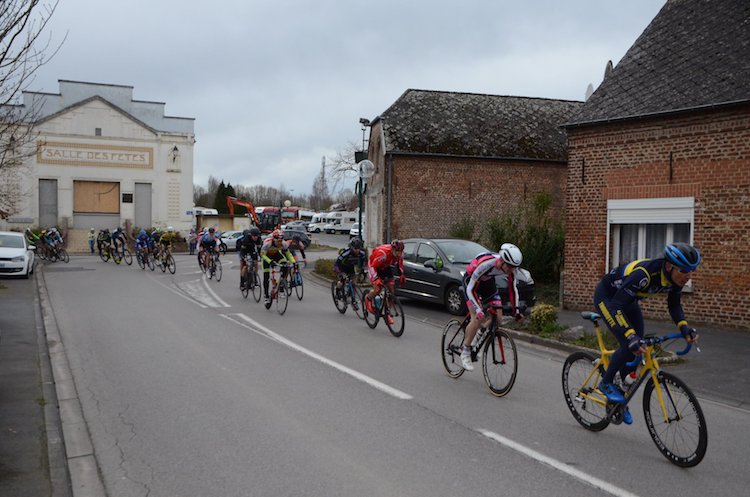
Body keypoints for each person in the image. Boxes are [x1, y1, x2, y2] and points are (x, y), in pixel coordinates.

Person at [594, 242, 701, 425]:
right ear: (669, 266)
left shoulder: (676, 279)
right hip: (608, 299)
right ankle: (606, 382)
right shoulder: (644, 275)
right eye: (684, 271)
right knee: (629, 344)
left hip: (629, 301)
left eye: (692, 270)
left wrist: (684, 328)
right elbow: (616, 306)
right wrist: (630, 336)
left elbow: (674, 306)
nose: (688, 276)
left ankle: (618, 399)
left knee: (638, 347)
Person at [460, 243, 524, 371]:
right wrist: (478, 310)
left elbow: (513, 290)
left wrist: (516, 311)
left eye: (514, 267)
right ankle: (465, 351)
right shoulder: (486, 264)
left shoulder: (511, 269)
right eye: (510, 267)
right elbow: (470, 288)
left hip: (488, 282)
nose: (512, 270)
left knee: (498, 319)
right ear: (503, 261)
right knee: (477, 319)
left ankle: (477, 337)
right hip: (472, 283)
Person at [365, 240, 405, 326]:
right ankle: (368, 298)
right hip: (374, 266)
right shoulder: (383, 253)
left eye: (400, 252)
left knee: (391, 291)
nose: (399, 254)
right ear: (393, 249)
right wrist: (376, 278)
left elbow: (400, 265)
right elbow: (373, 266)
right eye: (397, 251)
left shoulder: (400, 254)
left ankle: (387, 314)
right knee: (378, 289)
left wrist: (401, 275)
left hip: (385, 266)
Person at [260, 229, 296, 308]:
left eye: (281, 240)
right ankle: (266, 296)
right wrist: (270, 261)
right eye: (278, 241)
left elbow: (288, 254)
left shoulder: (284, 244)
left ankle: (281, 285)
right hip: (267, 257)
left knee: (285, 266)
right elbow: (262, 255)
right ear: (274, 239)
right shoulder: (267, 243)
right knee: (266, 276)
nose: (280, 243)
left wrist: (293, 262)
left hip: (276, 255)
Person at [333, 237, 367, 302]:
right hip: (341, 267)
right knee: (343, 280)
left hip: (351, 267)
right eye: (355, 248)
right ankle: (337, 292)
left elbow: (363, 263)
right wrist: (339, 272)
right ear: (351, 247)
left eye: (359, 248)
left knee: (354, 282)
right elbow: (337, 263)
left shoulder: (362, 253)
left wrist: (363, 271)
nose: (357, 250)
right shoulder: (346, 252)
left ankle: (352, 297)